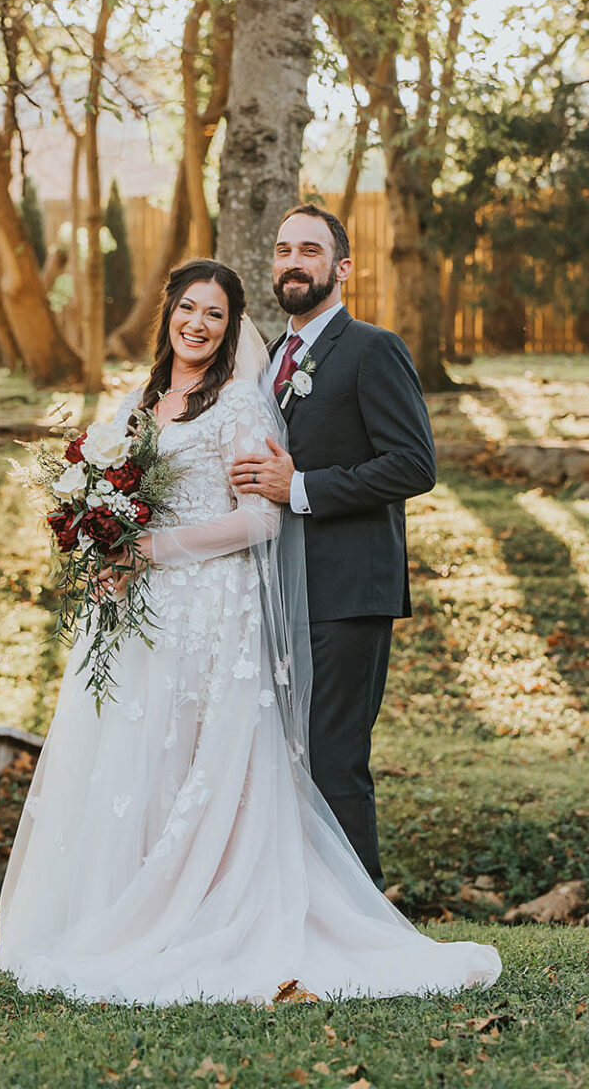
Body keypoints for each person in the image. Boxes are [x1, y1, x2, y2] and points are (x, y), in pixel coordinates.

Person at [0, 258, 500, 1005]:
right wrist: (105, 546)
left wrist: (150, 549)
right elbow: (128, 498)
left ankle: (203, 912)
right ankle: (119, 911)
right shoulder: (140, 400)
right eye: (187, 309)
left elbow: (262, 519)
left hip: (208, 607)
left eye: (215, 315)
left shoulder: (239, 406)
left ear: (233, 330)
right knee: (134, 757)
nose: (196, 324)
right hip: (139, 612)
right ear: (167, 312)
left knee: (203, 762)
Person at [230, 205, 434, 891]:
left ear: (340, 268)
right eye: (284, 248)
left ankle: (362, 920)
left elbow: (412, 465)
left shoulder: (372, 348)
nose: (293, 261)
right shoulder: (265, 360)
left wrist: (302, 487)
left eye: (310, 250)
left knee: (332, 758)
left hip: (348, 591)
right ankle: (296, 907)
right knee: (281, 756)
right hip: (275, 590)